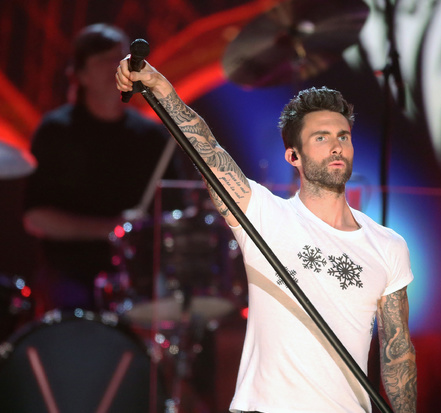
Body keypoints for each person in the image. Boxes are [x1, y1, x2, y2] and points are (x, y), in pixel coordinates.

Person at [116, 58, 417, 412]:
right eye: (321, 138)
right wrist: (162, 89)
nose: (336, 146)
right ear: (293, 156)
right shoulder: (264, 214)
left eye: (343, 137)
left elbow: (398, 353)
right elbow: (208, 151)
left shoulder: (388, 245)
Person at [23, 24, 180, 314]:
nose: (116, 66)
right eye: (104, 60)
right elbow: (37, 218)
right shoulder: (56, 132)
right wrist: (111, 228)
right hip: (72, 275)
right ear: (80, 74)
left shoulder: (154, 137)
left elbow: (176, 213)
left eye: (121, 58)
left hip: (140, 276)